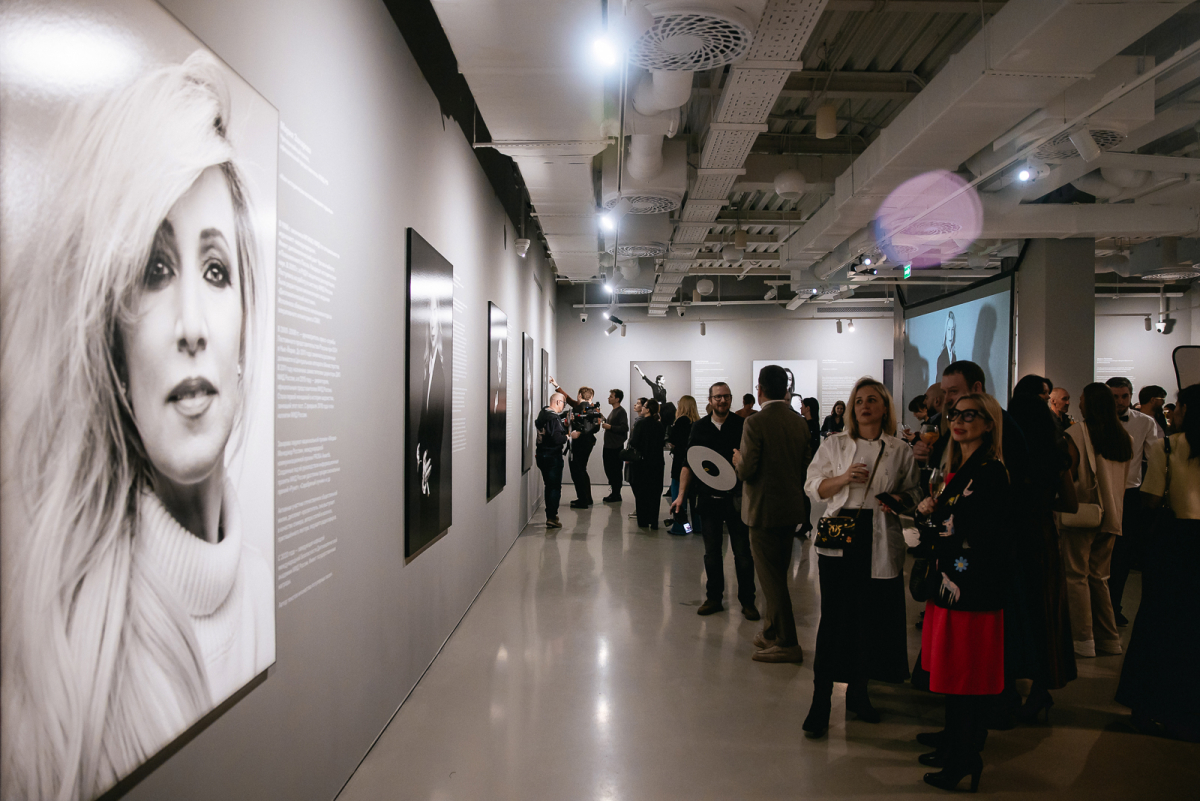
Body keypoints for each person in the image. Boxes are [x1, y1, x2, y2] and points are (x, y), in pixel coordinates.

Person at [0, 52, 274, 799]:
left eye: (215, 271)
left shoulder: (264, 591)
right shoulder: (59, 670)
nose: (191, 325)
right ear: (114, 349)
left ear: (245, 326)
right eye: (154, 271)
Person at [803, 378, 921, 735]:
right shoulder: (835, 444)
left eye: (872, 400)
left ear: (884, 407)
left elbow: (913, 493)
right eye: (859, 401)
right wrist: (843, 478)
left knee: (869, 619)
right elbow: (813, 487)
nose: (865, 406)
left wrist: (897, 500)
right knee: (834, 619)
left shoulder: (899, 449)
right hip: (842, 532)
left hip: (880, 534)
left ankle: (859, 691)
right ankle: (821, 701)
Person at [914, 393, 1011, 792]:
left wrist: (930, 523)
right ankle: (955, 742)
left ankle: (965, 755)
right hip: (953, 581)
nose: (959, 421)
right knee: (953, 668)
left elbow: (976, 530)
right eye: (955, 414)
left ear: (989, 424)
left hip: (971, 587)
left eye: (971, 416)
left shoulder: (990, 471)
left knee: (965, 673)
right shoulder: (962, 466)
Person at [1116, 384, 1200, 742]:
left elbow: (1151, 498)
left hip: (1175, 542)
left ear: (1187, 410)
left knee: (1159, 624)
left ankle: (1148, 707)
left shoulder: (1167, 446)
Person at [1008, 378, 1078, 724]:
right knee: (1043, 612)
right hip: (1041, 535)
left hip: (1010, 537)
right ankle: (1040, 689)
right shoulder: (1057, 449)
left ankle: (1006, 686)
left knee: (1012, 612)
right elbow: (1071, 503)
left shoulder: (1007, 450)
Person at [734, 366, 811, 663]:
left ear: (760, 389)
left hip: (762, 511)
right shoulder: (799, 422)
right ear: (786, 389)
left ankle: (788, 642)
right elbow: (805, 467)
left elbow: (747, 470)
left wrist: (738, 460)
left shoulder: (754, 422)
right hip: (790, 509)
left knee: (771, 580)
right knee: (778, 572)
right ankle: (770, 632)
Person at [1059, 383, 1133, 658]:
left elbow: (1069, 473)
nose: (1078, 403)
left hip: (1083, 514)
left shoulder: (1076, 433)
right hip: (1113, 515)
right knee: (1100, 578)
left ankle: (1083, 640)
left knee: (1076, 576)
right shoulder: (1124, 437)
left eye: (1081, 398)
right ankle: (1109, 639)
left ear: (1089, 403)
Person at [671, 383, 757, 618]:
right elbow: (688, 463)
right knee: (712, 554)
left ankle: (748, 601)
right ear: (710, 400)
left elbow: (753, 462)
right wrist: (680, 496)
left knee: (743, 554)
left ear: (731, 399)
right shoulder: (699, 427)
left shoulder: (742, 425)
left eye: (726, 396)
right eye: (717, 397)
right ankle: (714, 598)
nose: (722, 401)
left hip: (737, 499)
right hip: (709, 499)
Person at [1106, 377, 1160, 627]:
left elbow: (1155, 458)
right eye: (1115, 396)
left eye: (1124, 396)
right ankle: (1099, 609)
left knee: (1123, 555)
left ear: (1131, 396)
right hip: (1102, 492)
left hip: (1129, 494)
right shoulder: (1096, 421)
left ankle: (1114, 606)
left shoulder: (1145, 422)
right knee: (1100, 554)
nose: (1120, 401)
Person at [627, 398, 665, 529]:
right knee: (655, 493)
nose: (642, 408)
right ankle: (653, 521)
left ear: (648, 409)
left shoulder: (641, 424)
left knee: (641, 493)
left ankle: (643, 521)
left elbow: (634, 442)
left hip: (642, 463)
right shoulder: (659, 425)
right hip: (657, 463)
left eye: (644, 406)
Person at [535, 392, 570, 528]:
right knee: (554, 487)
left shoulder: (543, 413)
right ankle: (551, 516)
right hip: (553, 456)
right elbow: (557, 439)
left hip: (541, 455)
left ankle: (550, 514)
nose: (563, 406)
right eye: (563, 403)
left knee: (548, 486)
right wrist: (568, 437)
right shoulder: (553, 418)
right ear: (557, 402)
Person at [667, 395, 700, 535]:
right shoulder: (697, 423)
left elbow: (673, 440)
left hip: (680, 464)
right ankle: (698, 526)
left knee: (679, 496)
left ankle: (681, 527)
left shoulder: (680, 421)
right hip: (695, 465)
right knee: (694, 498)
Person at [600, 389, 629, 503]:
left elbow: (624, 428)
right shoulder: (614, 411)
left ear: (617, 399)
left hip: (615, 447)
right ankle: (614, 492)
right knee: (609, 470)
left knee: (615, 471)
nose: (609, 398)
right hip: (609, 446)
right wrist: (602, 418)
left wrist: (610, 427)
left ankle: (616, 494)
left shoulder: (621, 411)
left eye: (611, 396)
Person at [936, 310, 958, 378]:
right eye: (948, 329)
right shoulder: (941, 358)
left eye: (952, 329)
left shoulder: (954, 356)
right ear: (945, 331)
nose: (950, 334)